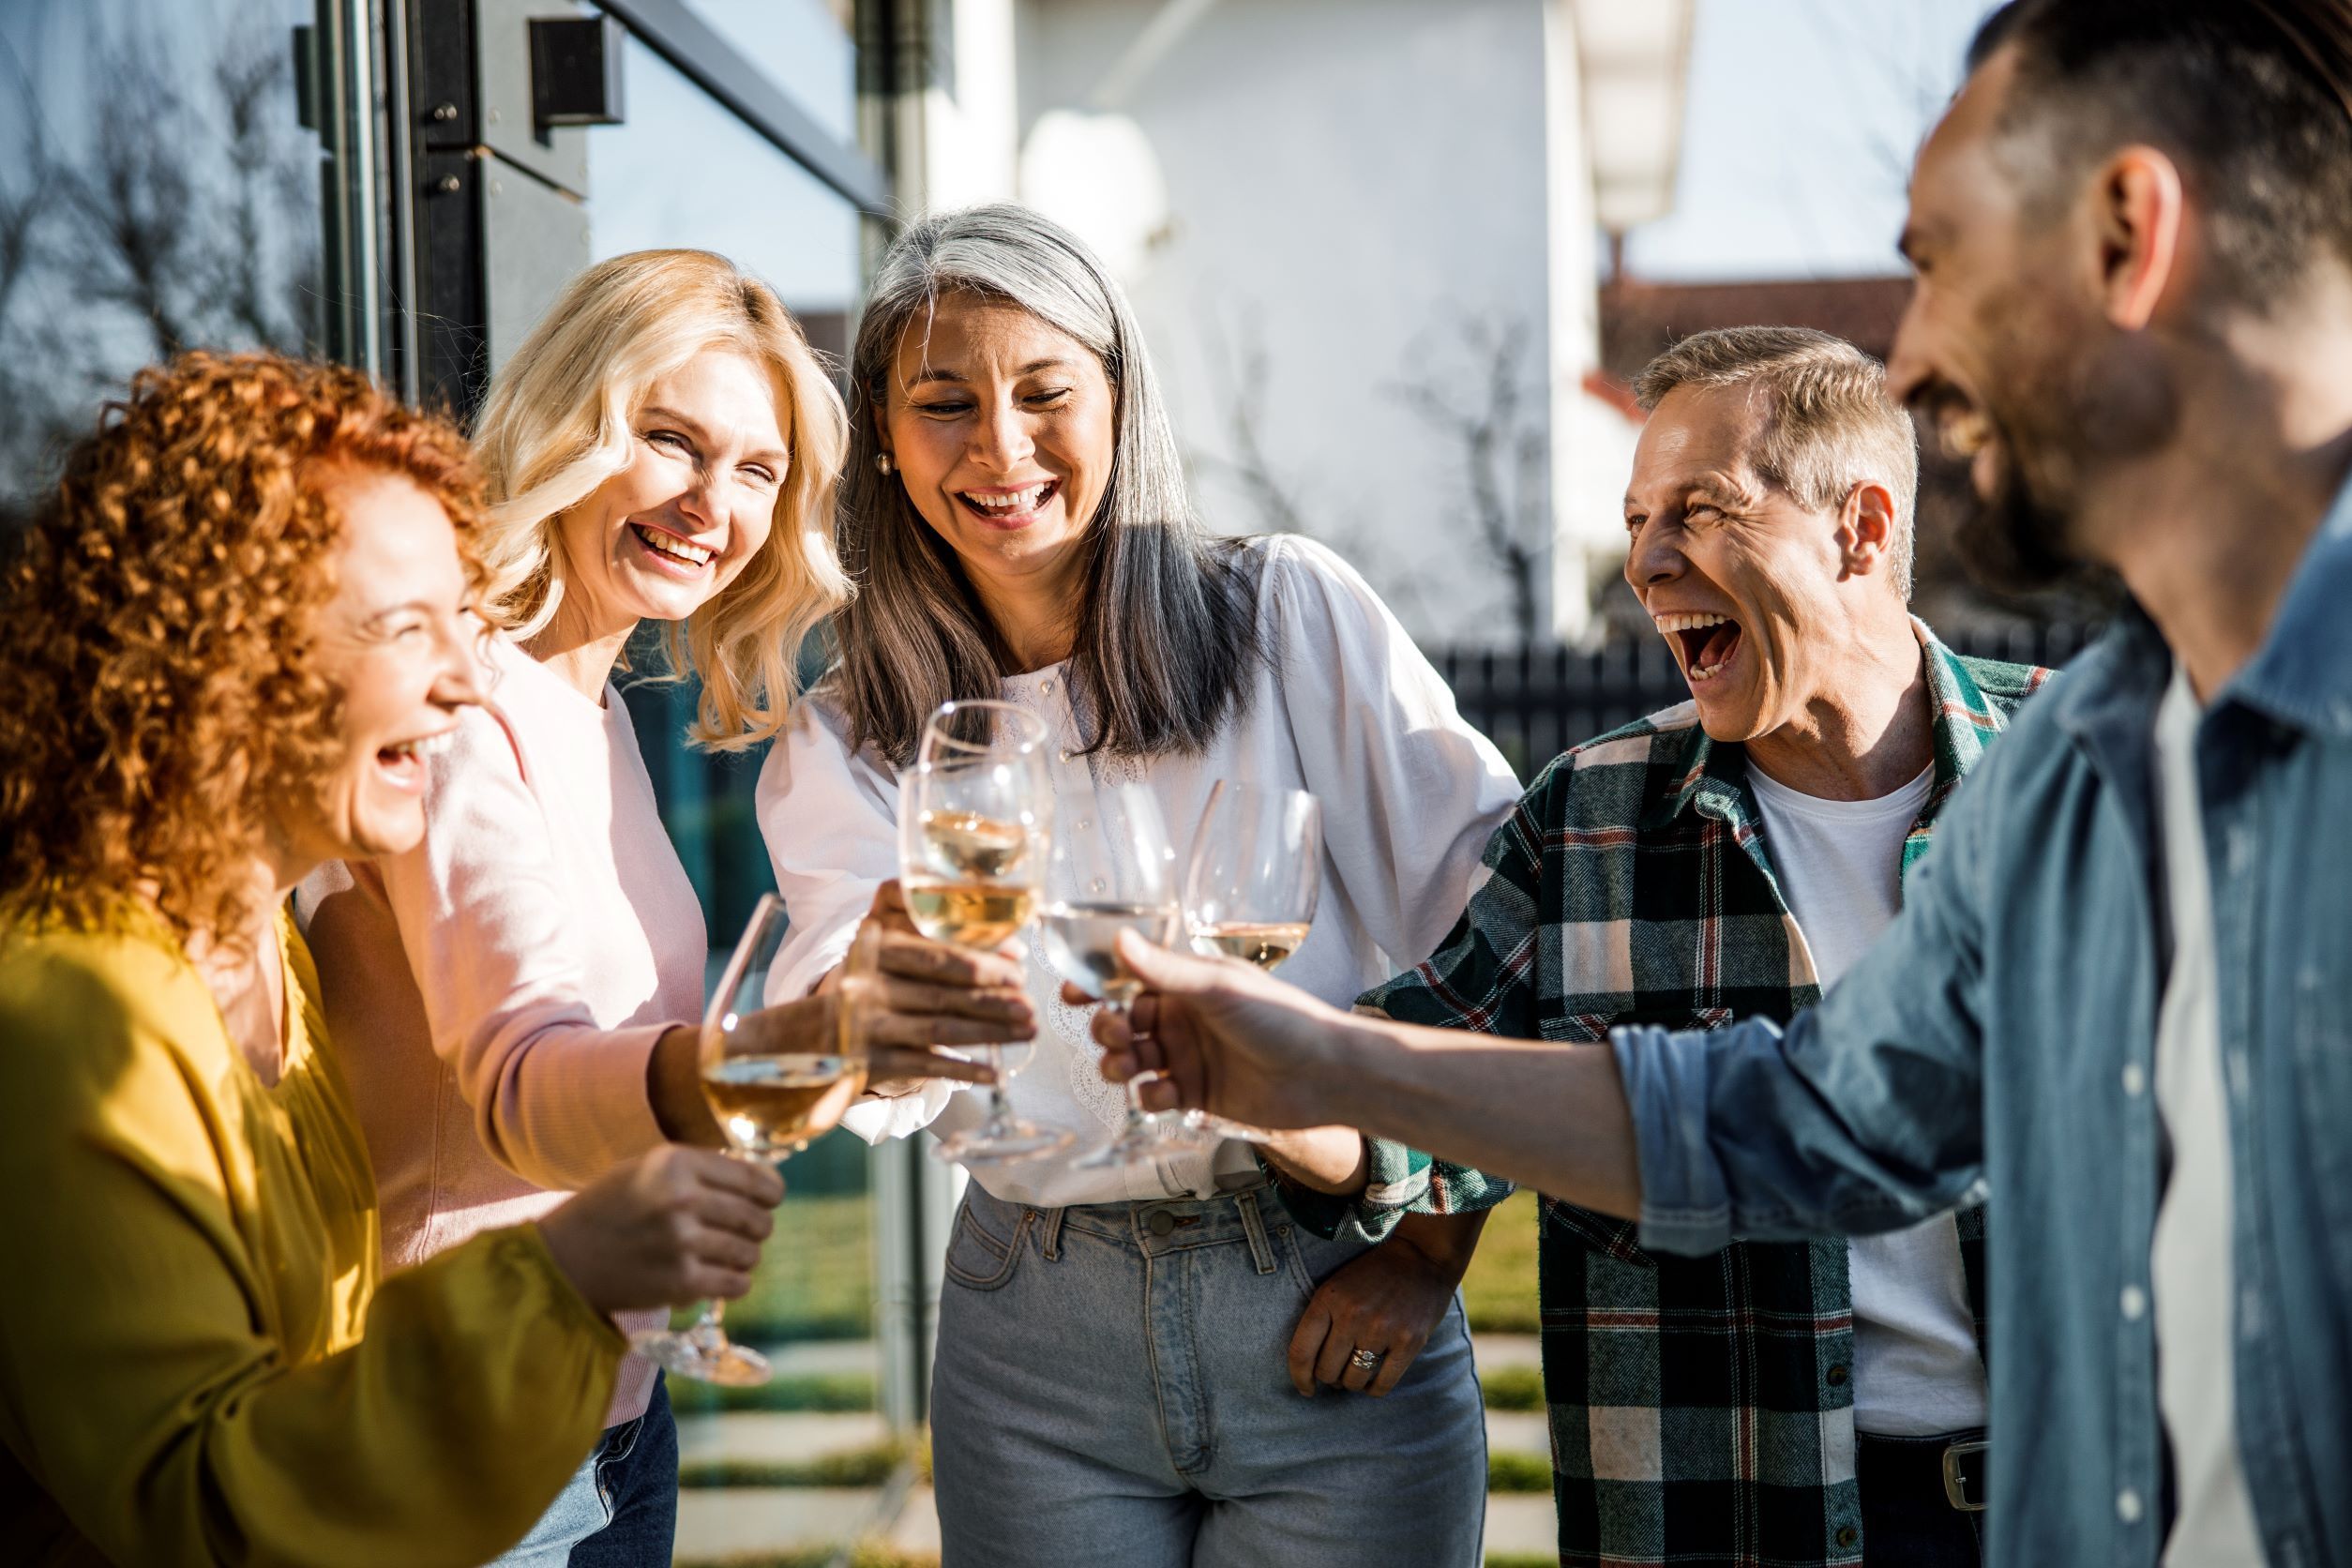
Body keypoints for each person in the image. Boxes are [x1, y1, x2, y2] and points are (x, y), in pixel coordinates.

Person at [1092, 4, 2352, 1565]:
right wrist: (1320, 1064)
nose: (1915, 351)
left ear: (2125, 235)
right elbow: (1792, 1120)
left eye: (1941, 258)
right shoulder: (2095, 778)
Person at [755, 204, 1521, 1566]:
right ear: (881, 431)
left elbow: (1499, 940)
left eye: (1046, 392)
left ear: (1118, 396)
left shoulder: (1289, 618)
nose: (1001, 447)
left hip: (1322, 1269)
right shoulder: (851, 733)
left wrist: (1428, 1253)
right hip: (1033, 1331)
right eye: (943, 403)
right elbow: (867, 1048)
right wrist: (869, 1014)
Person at [296, 249, 1028, 1566]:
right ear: (573, 429)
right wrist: (816, 1031)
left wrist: (843, 1040)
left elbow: (653, 1086)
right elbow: (523, 1090)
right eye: (673, 442)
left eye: (758, 472)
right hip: (465, 1429)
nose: (715, 504)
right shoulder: (460, 710)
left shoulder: (600, 717)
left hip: (613, 1413)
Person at [1274, 325, 2045, 1567]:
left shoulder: (2090, 775)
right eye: (1637, 520)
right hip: (1731, 1524)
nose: (1644, 561)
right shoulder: (1591, 818)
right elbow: (1420, 1092)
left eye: (1700, 509)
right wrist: (1255, 1059)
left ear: (1862, 527)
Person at [0, 351, 785, 1566]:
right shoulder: (75, 1012)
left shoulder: (253, 960)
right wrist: (562, 1275)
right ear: (229, 644)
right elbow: (197, 1507)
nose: (468, 679)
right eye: (412, 626)